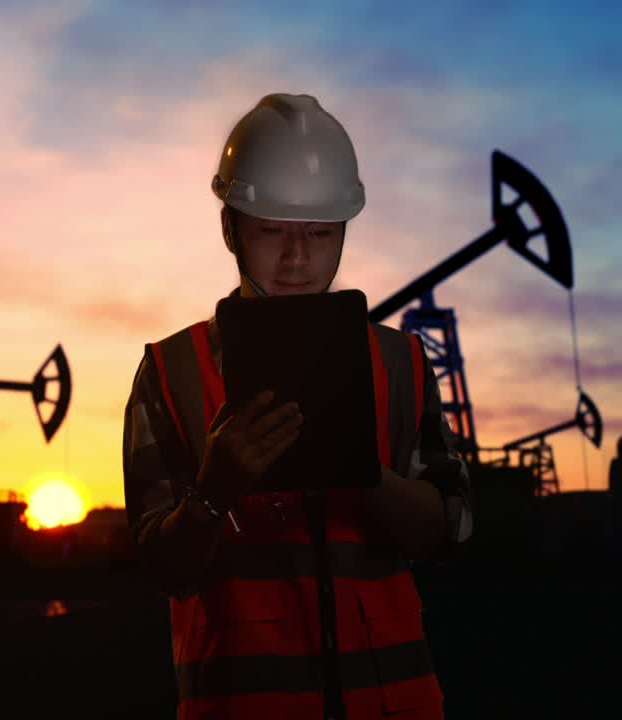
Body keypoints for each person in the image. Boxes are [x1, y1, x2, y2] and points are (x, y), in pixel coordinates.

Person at [123, 93, 472, 720]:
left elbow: (452, 528)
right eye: (270, 231)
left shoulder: (401, 363)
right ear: (229, 229)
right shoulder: (172, 373)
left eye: (318, 232)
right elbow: (159, 568)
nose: (296, 259)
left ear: (343, 231)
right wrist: (214, 490)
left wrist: (360, 474)